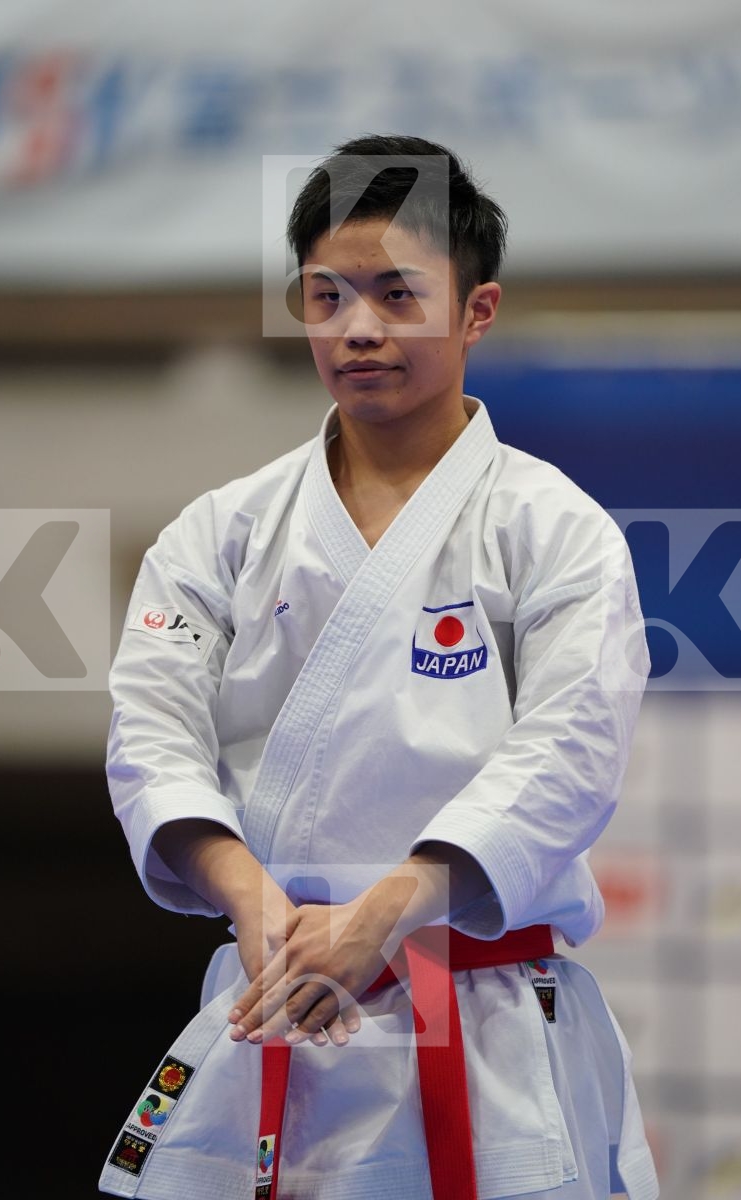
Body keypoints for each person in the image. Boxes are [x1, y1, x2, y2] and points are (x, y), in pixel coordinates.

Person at [99, 133, 659, 1200]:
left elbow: (568, 753)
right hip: (274, 990)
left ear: (475, 311)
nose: (356, 329)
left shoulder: (553, 530)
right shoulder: (219, 533)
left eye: (397, 295)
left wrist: (389, 910)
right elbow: (150, 733)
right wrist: (258, 909)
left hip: (482, 1014)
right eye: (326, 296)